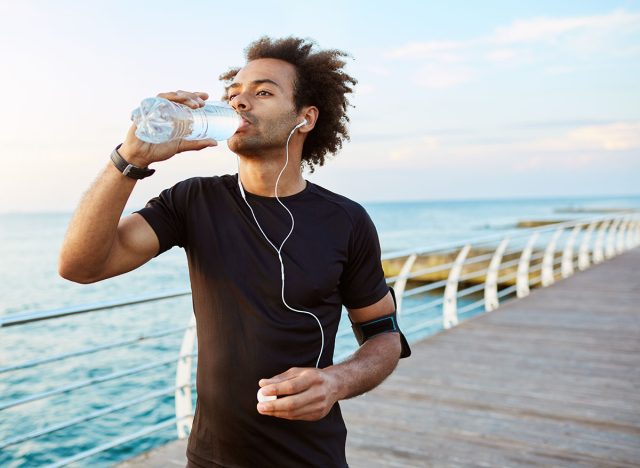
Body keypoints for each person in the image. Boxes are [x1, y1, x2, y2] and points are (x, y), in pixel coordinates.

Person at [58, 36, 410, 467]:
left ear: (306, 117)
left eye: (262, 92)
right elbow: (80, 266)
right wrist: (130, 158)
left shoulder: (346, 220)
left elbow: (383, 335)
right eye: (233, 94)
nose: (240, 102)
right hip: (211, 457)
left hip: (310, 457)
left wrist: (336, 381)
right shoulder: (192, 201)